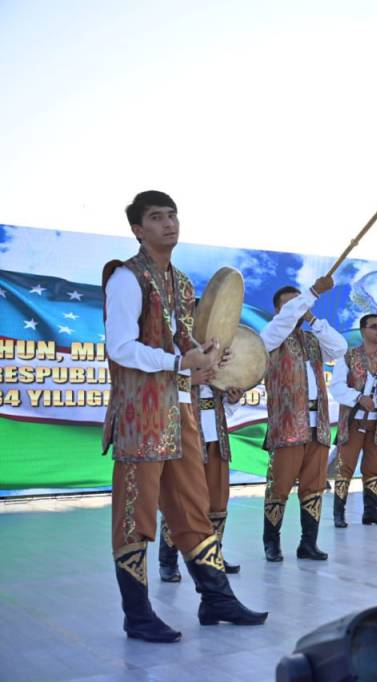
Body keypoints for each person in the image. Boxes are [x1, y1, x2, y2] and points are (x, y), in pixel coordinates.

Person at [104, 190, 267, 643]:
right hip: (141, 415)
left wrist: (207, 356)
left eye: (172, 215)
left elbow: (182, 342)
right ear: (138, 230)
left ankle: (216, 600)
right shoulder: (126, 278)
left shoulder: (180, 282)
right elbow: (120, 347)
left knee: (194, 508)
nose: (169, 223)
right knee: (135, 515)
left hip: (181, 412)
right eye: (157, 217)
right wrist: (179, 363)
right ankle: (137, 615)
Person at [260, 278, 347, 561]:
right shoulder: (269, 338)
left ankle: (308, 543)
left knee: (314, 487)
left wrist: (312, 318)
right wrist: (308, 297)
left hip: (317, 424)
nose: (298, 308)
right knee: (279, 487)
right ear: (278, 311)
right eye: (291, 305)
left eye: (301, 303)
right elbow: (278, 328)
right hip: (287, 426)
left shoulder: (312, 340)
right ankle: (272, 543)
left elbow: (340, 348)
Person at [159, 382, 245, 582]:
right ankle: (168, 563)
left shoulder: (219, 368)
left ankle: (213, 558)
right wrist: (192, 379)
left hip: (217, 440)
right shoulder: (181, 365)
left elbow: (226, 408)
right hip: (186, 441)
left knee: (218, 502)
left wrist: (233, 400)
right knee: (179, 501)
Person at [328, 313, 377, 527]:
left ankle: (371, 512)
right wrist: (358, 398)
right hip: (354, 421)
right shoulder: (348, 356)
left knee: (373, 468)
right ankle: (339, 514)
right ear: (363, 330)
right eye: (374, 326)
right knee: (345, 467)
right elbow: (336, 387)